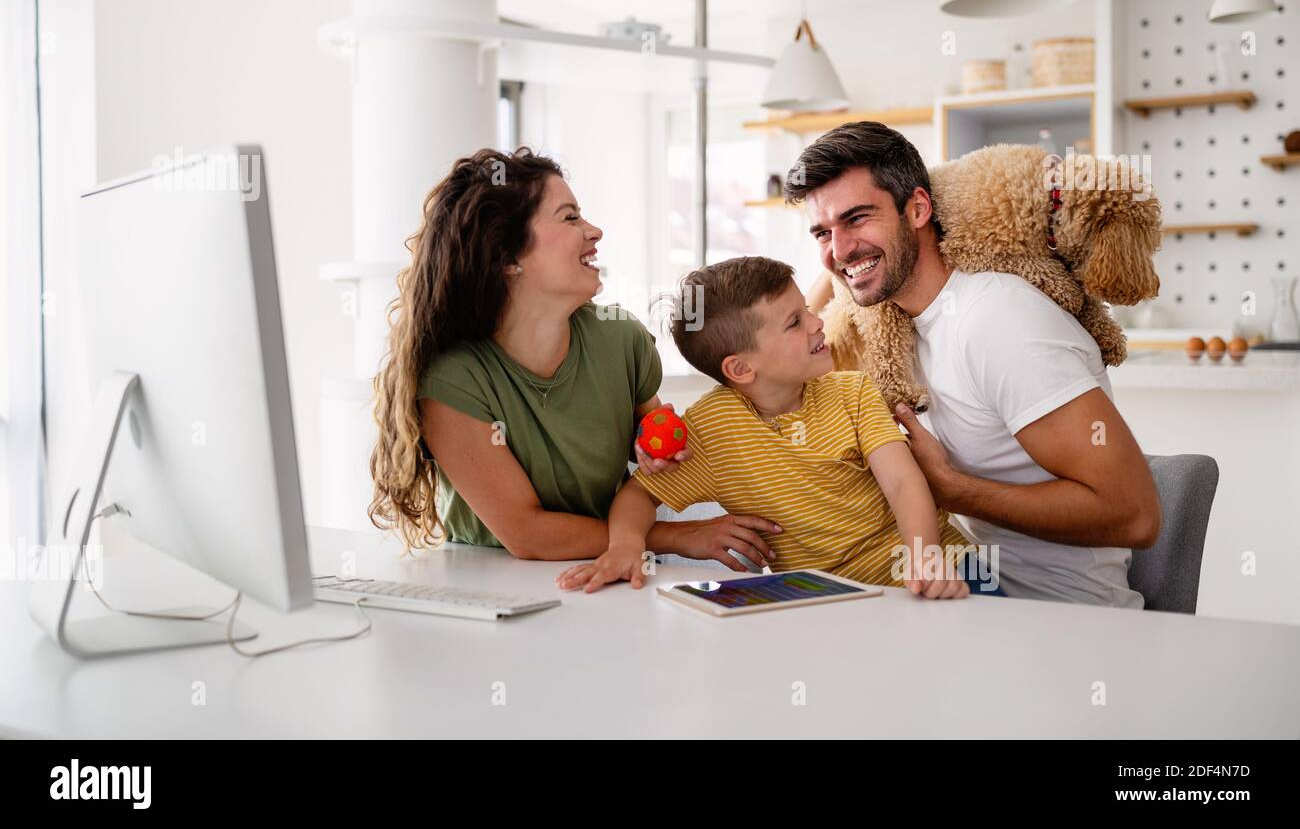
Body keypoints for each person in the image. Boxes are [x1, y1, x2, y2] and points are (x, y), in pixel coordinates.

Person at [792, 122, 1160, 607]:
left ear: (919, 208)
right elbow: (795, 332)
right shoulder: (894, 326)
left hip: (1059, 625)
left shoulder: (998, 321)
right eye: (823, 232)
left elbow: (1135, 514)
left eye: (858, 218)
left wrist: (953, 490)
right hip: (963, 604)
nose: (839, 251)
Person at [368, 147, 782, 569]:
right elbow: (526, 533)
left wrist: (657, 454)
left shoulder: (620, 339)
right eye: (570, 218)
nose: (595, 231)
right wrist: (675, 537)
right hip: (493, 581)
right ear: (507, 256)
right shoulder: (454, 378)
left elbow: (653, 462)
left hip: (609, 569)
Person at [556, 256, 996, 599]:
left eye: (806, 309)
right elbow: (639, 496)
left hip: (944, 564)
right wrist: (626, 548)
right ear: (741, 368)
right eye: (794, 322)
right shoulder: (712, 432)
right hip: (833, 602)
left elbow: (902, 481)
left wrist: (926, 558)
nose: (817, 322)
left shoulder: (853, 393)